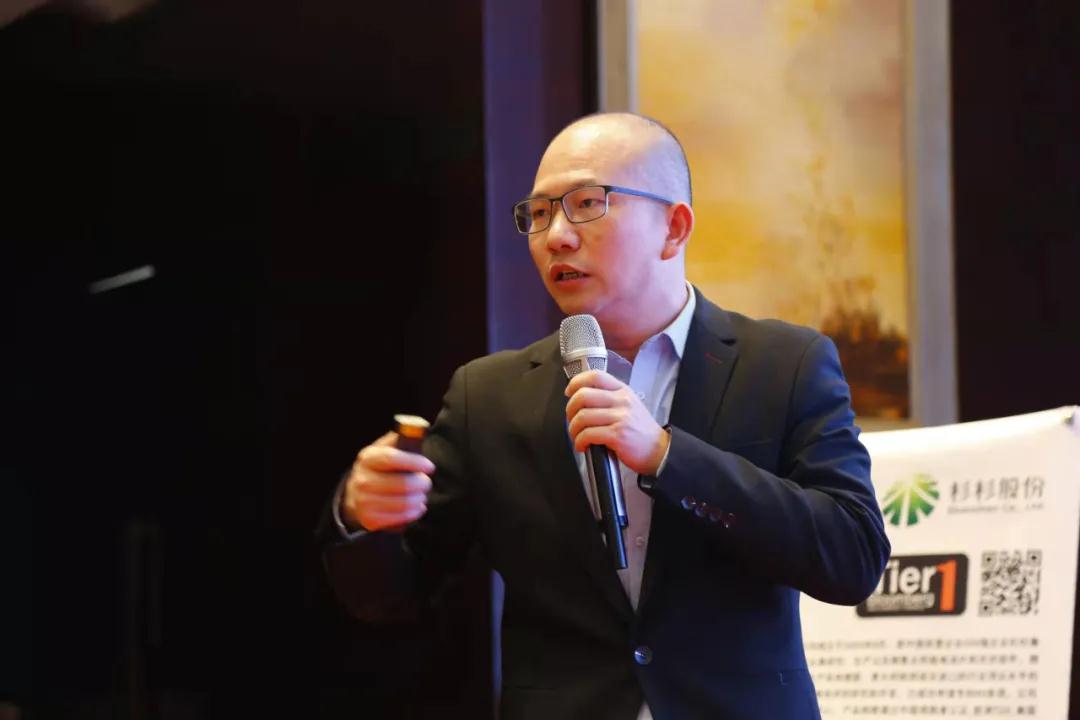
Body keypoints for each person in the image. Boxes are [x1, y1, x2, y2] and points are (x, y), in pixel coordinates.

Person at [320, 112, 891, 719]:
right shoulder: (487, 395)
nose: (556, 237)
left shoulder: (783, 364)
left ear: (674, 228)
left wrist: (668, 456)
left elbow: (853, 557)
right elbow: (393, 594)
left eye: (587, 204)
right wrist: (361, 519)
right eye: (539, 214)